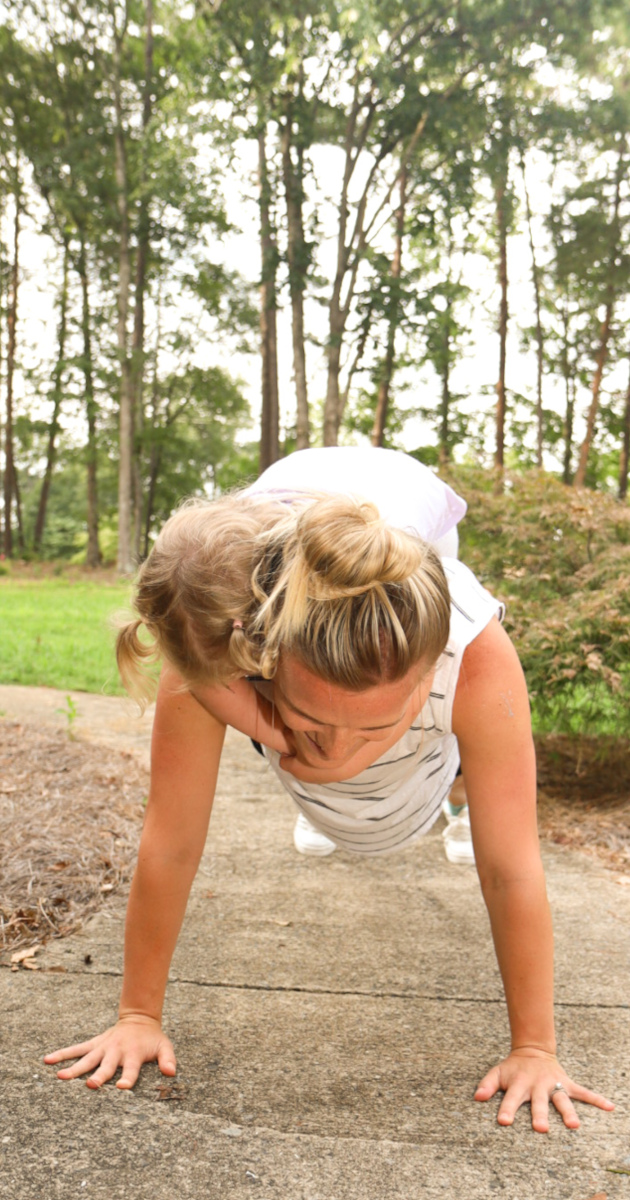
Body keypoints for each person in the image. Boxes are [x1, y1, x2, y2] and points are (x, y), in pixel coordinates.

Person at [44, 448, 614, 1134]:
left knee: (467, 753)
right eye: (307, 721)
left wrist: (536, 1049)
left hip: (393, 518)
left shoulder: (475, 656)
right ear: (259, 660)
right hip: (302, 513)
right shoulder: (226, 642)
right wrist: (137, 1014)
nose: (334, 754)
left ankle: (458, 786)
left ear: (435, 668)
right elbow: (170, 841)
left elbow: (510, 864)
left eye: (371, 727)